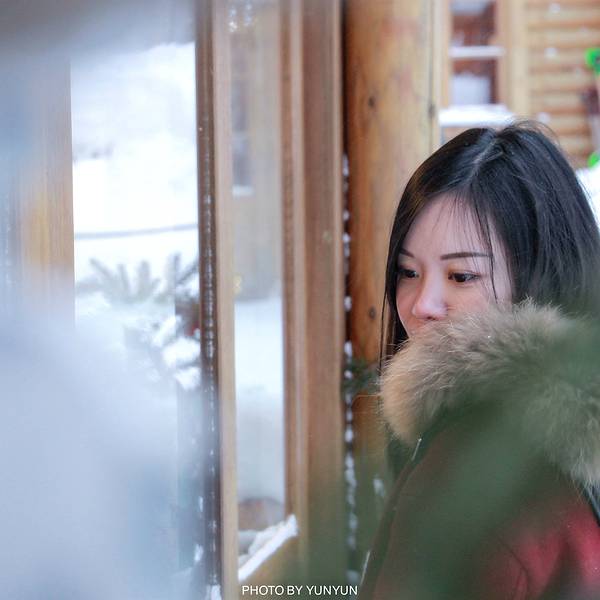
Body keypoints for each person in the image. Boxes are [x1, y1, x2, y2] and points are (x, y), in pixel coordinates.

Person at [359, 122, 600, 600]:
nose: (421, 304)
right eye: (407, 271)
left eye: (462, 275)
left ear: (541, 276)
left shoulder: (473, 479)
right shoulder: (562, 449)